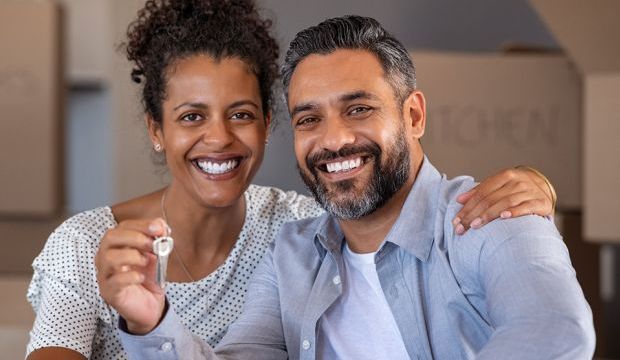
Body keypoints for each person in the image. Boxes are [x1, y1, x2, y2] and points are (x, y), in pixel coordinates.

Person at [26, 1, 556, 358]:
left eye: (240, 114)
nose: (219, 139)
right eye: (191, 117)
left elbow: (382, 205)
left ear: (268, 124)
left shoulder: (303, 230)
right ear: (156, 130)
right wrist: (148, 321)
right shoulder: (87, 243)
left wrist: (536, 186)